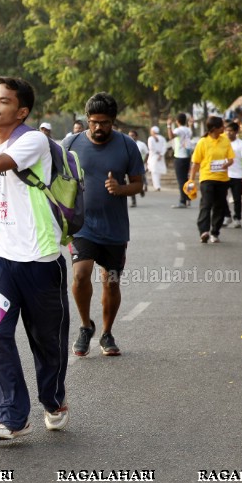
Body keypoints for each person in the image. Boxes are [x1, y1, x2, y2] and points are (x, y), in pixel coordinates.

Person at [0, 77, 69, 440]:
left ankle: (53, 399)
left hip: (40, 258)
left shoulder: (33, 140)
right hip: (0, 259)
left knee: (47, 342)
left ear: (22, 111)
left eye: (4, 101)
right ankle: (12, 416)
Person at [66, 92, 144, 357]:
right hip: (82, 226)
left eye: (105, 122)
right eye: (94, 122)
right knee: (79, 274)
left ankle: (107, 333)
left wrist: (121, 188)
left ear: (114, 121)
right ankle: (85, 325)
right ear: (87, 119)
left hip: (114, 228)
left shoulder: (126, 146)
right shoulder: (71, 142)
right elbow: (54, 175)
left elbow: (138, 183)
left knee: (111, 282)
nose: (99, 127)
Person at [187, 116, 234, 243]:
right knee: (206, 205)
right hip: (207, 178)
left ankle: (215, 232)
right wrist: (191, 180)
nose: (224, 128)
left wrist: (227, 164)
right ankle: (204, 231)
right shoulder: (202, 142)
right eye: (221, 126)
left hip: (222, 179)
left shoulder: (225, 141)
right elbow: (196, 163)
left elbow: (231, 159)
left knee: (219, 206)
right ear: (214, 129)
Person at [223, 122, 242, 228]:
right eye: (227, 130)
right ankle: (227, 216)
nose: (228, 133)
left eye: (231, 131)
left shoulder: (241, 144)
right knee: (221, 196)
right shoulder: (223, 143)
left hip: (237, 175)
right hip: (224, 174)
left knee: (237, 198)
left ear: (236, 132)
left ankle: (237, 218)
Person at [169, 113, 194, 208]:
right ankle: (189, 198)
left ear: (177, 121)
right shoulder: (188, 130)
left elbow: (171, 136)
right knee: (186, 178)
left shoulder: (178, 130)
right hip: (187, 156)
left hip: (179, 156)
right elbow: (189, 136)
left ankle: (182, 201)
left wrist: (168, 125)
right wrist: (190, 125)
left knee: (181, 180)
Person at [127, 129, 148, 207]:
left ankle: (140, 189)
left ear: (136, 137)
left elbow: (147, 153)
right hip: (129, 166)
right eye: (129, 135)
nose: (131, 137)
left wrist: (144, 162)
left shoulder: (141, 144)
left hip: (139, 166)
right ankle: (133, 201)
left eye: (132, 135)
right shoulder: (126, 144)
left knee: (139, 181)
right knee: (130, 183)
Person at [146, 125, 167, 191]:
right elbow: (165, 147)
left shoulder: (150, 138)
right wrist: (161, 154)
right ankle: (157, 185)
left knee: (154, 172)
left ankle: (157, 186)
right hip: (160, 156)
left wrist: (157, 154)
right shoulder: (162, 138)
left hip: (153, 156)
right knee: (158, 171)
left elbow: (151, 148)